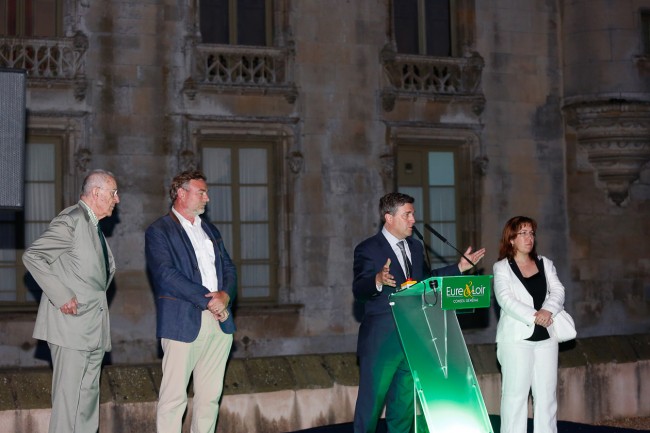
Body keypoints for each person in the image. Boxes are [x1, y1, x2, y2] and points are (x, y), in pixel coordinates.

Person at [352, 192, 485, 433]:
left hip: (412, 338)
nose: (413, 220)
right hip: (381, 342)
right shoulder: (368, 249)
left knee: (403, 407)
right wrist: (378, 279)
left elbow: (425, 281)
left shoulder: (414, 247)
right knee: (369, 408)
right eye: (407, 215)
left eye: (413, 214)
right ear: (389, 218)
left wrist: (458, 268)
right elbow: (359, 289)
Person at [22, 169, 120, 433]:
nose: (117, 199)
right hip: (70, 327)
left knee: (87, 403)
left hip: (92, 327)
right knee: (68, 404)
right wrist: (62, 295)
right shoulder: (73, 220)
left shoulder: (94, 227)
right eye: (113, 193)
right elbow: (33, 256)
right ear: (96, 193)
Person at [145, 170, 237, 433]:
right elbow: (165, 274)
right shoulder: (159, 230)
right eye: (201, 192)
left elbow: (229, 268)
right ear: (181, 193)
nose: (207, 198)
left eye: (206, 192)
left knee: (209, 398)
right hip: (182, 322)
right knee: (174, 398)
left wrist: (226, 296)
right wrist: (208, 299)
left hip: (219, 321)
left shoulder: (210, 229)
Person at [493, 216, 566, 433]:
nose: (529, 237)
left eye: (531, 233)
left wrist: (548, 310)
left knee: (547, 396)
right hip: (516, 340)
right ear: (511, 239)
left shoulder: (546, 263)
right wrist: (536, 315)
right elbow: (505, 299)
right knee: (515, 397)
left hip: (547, 339)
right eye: (523, 233)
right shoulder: (501, 268)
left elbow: (559, 291)